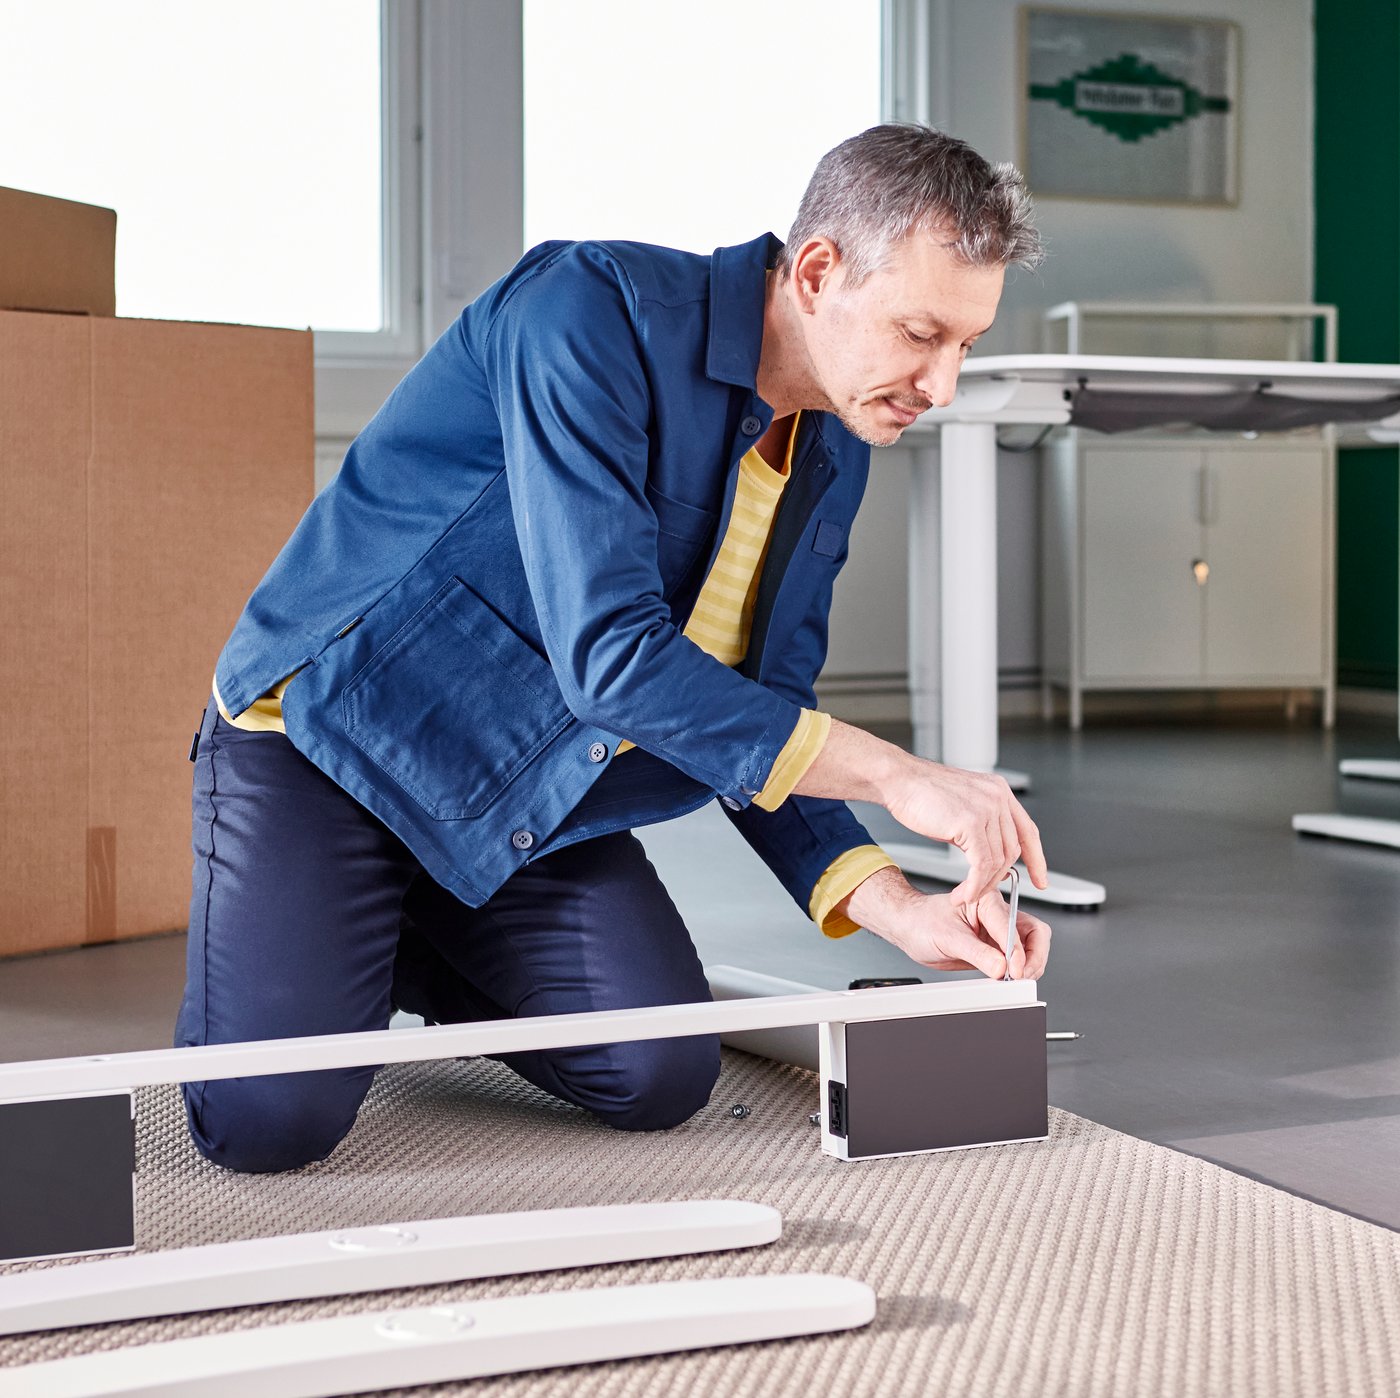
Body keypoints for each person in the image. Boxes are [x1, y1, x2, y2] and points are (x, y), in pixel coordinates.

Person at [176, 123, 1052, 1173]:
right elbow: (609, 659)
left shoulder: (835, 440)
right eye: (921, 333)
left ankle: (380, 943)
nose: (942, 384)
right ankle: (319, 949)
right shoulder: (588, 314)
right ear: (817, 271)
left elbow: (765, 706)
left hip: (524, 794)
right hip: (335, 741)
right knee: (266, 1126)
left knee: (658, 1072)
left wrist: (901, 913)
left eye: (967, 345)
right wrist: (902, 776)